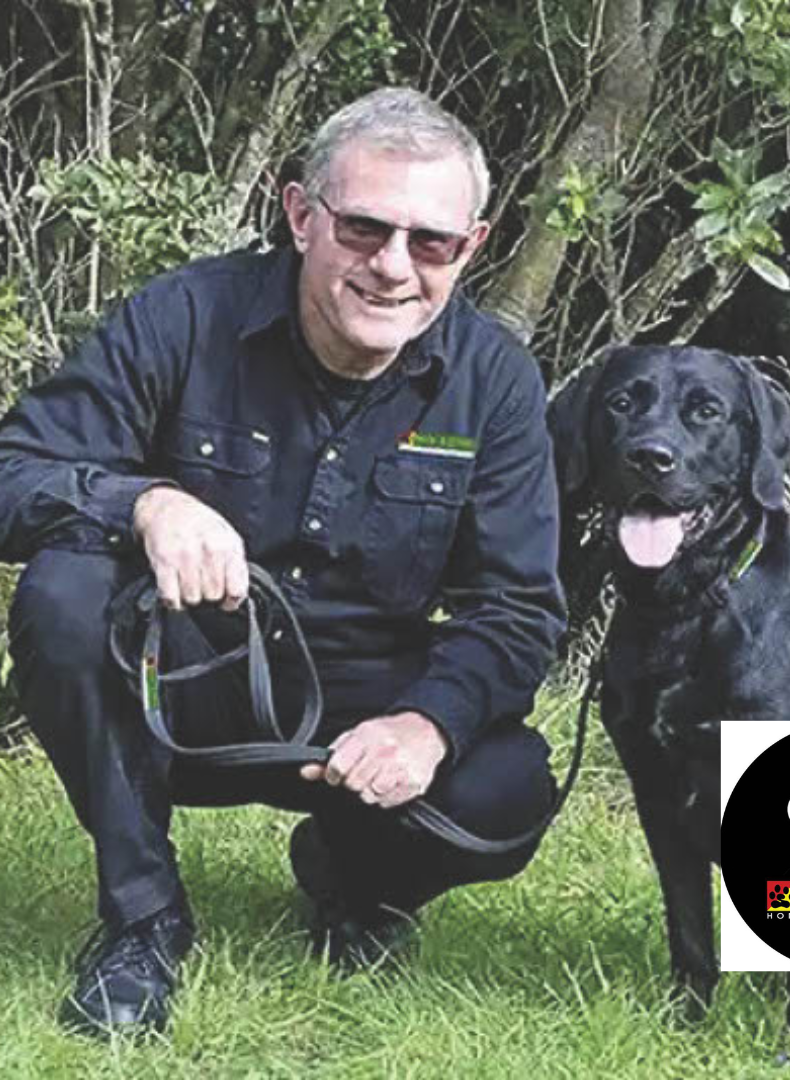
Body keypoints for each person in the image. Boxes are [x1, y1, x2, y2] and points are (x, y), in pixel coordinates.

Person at [0, 87, 566, 1037]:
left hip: (366, 701)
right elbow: (14, 470)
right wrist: (144, 503)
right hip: (188, 680)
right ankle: (143, 919)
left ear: (470, 247)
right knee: (65, 593)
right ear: (302, 215)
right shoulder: (183, 316)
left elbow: (518, 610)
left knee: (505, 793)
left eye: (430, 242)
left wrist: (427, 724)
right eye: (363, 228)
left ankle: (354, 881)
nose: (392, 267)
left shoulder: (495, 382)